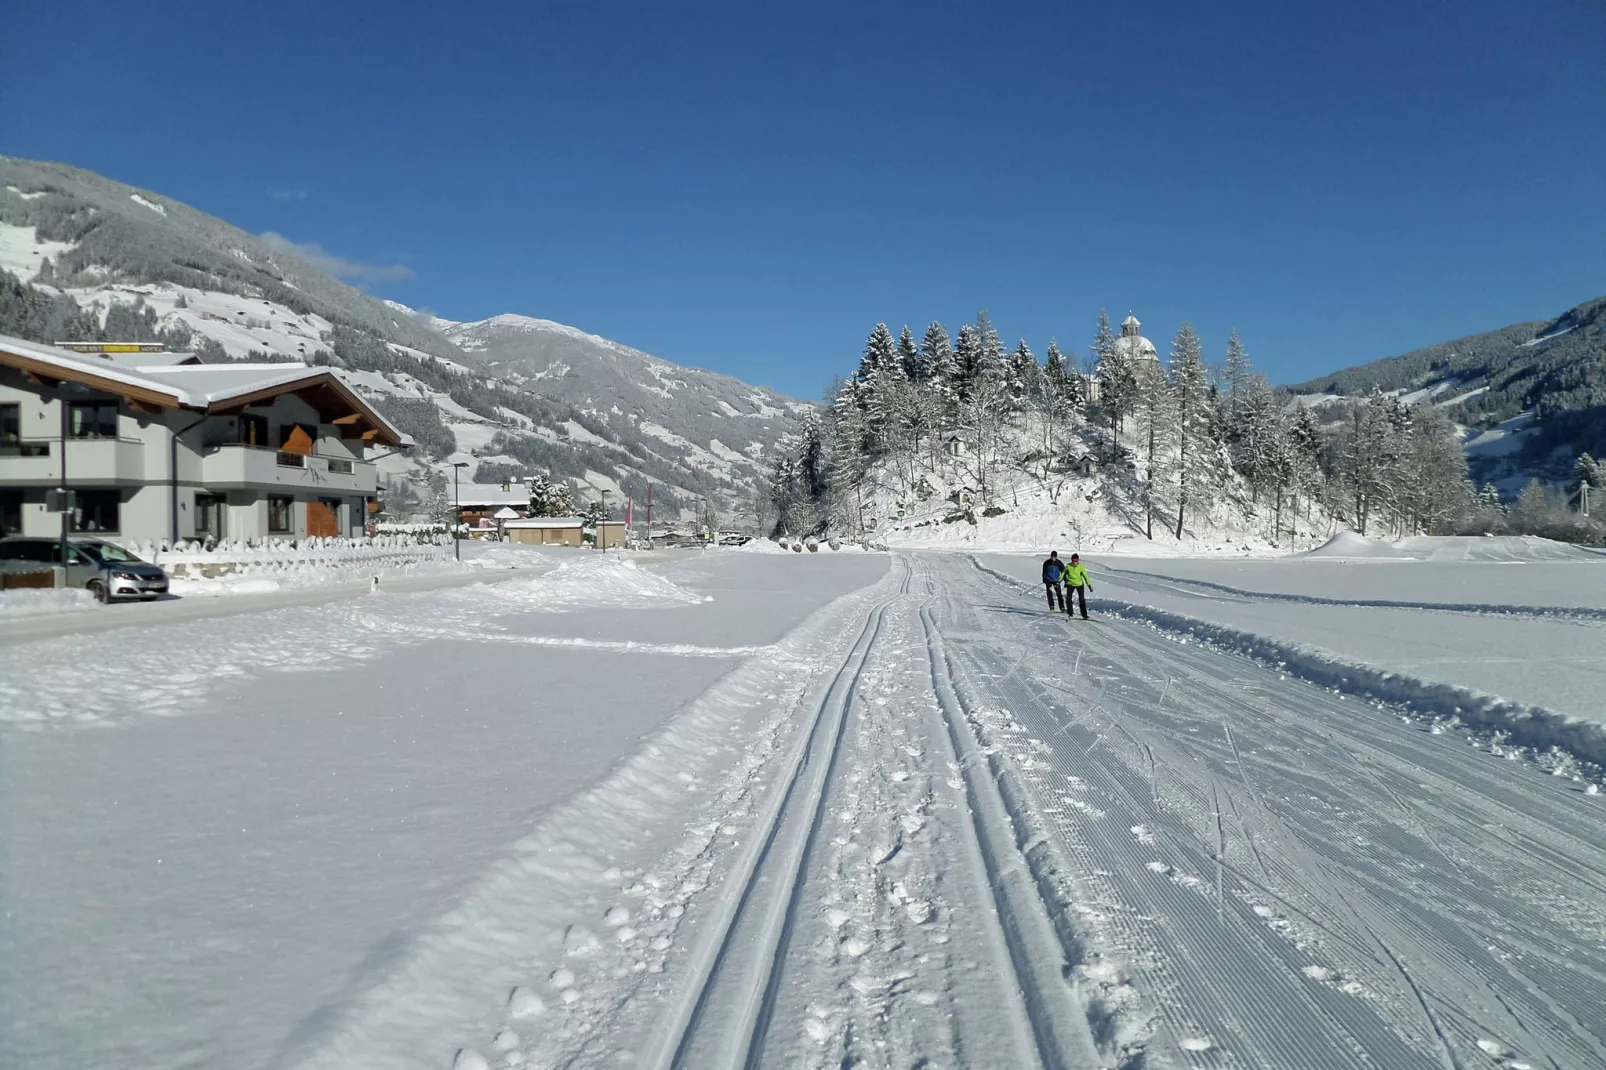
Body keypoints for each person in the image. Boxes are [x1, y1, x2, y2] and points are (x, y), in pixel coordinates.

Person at [1063, 552, 1093, 619]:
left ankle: (1084, 615)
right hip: (1070, 584)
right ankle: (1070, 614)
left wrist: (1089, 585)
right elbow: (1063, 574)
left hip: (1079, 584)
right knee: (1068, 598)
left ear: (1078, 560)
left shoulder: (1081, 567)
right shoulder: (1068, 566)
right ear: (1071, 560)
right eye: (1073, 561)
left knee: (1082, 599)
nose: (1075, 562)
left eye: (1076, 561)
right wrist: (1059, 581)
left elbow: (1086, 576)